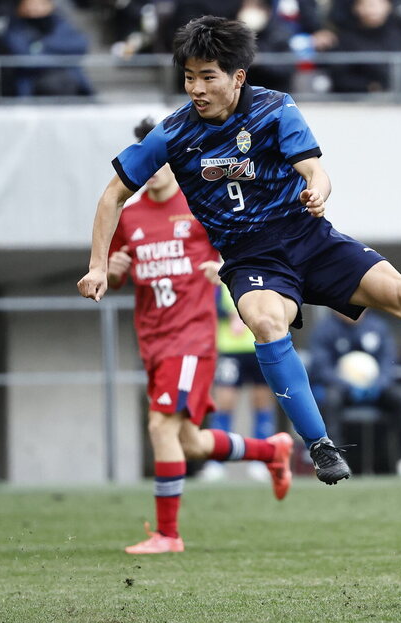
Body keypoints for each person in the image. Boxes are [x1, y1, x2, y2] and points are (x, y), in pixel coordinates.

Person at [78, 16, 401, 487]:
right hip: (251, 258)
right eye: (189, 77)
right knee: (266, 321)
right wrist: (98, 265)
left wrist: (317, 191)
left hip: (310, 237)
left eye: (207, 76)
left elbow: (314, 169)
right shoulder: (172, 134)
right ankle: (320, 445)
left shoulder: (276, 108)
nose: (196, 88)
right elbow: (112, 195)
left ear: (237, 77)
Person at [106, 117, 294, 555]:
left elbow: (246, 245)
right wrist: (113, 272)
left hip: (191, 339)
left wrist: (226, 270)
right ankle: (271, 451)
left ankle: (168, 535)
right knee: (188, 441)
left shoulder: (199, 206)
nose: (151, 167)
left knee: (158, 426)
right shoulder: (129, 216)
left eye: (157, 157)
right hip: (152, 340)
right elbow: (116, 269)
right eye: (143, 159)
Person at [309, 310, 401, 477]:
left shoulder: (378, 326)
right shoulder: (325, 329)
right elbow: (321, 367)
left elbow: (388, 362)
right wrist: (347, 385)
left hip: (376, 388)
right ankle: (335, 460)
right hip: (342, 389)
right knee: (329, 399)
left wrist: (378, 385)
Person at [202, 284, 280, 482]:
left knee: (262, 401)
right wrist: (229, 314)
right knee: (224, 402)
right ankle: (216, 461)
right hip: (231, 348)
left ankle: (262, 460)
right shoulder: (219, 268)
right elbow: (208, 302)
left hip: (261, 344)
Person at [4, 0, 93, 96]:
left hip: (71, 81)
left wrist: (43, 45)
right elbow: (24, 58)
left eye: (40, 4)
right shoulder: (15, 30)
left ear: (50, 6)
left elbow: (80, 46)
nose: (35, 9)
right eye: (30, 5)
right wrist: (62, 57)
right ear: (20, 8)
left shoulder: (61, 24)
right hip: (32, 85)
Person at [327, 0, 401, 94]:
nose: (372, 10)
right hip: (358, 100)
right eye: (367, 5)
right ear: (356, 8)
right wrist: (369, 86)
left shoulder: (399, 35)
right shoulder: (346, 39)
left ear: (388, 6)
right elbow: (339, 77)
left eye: (377, 4)